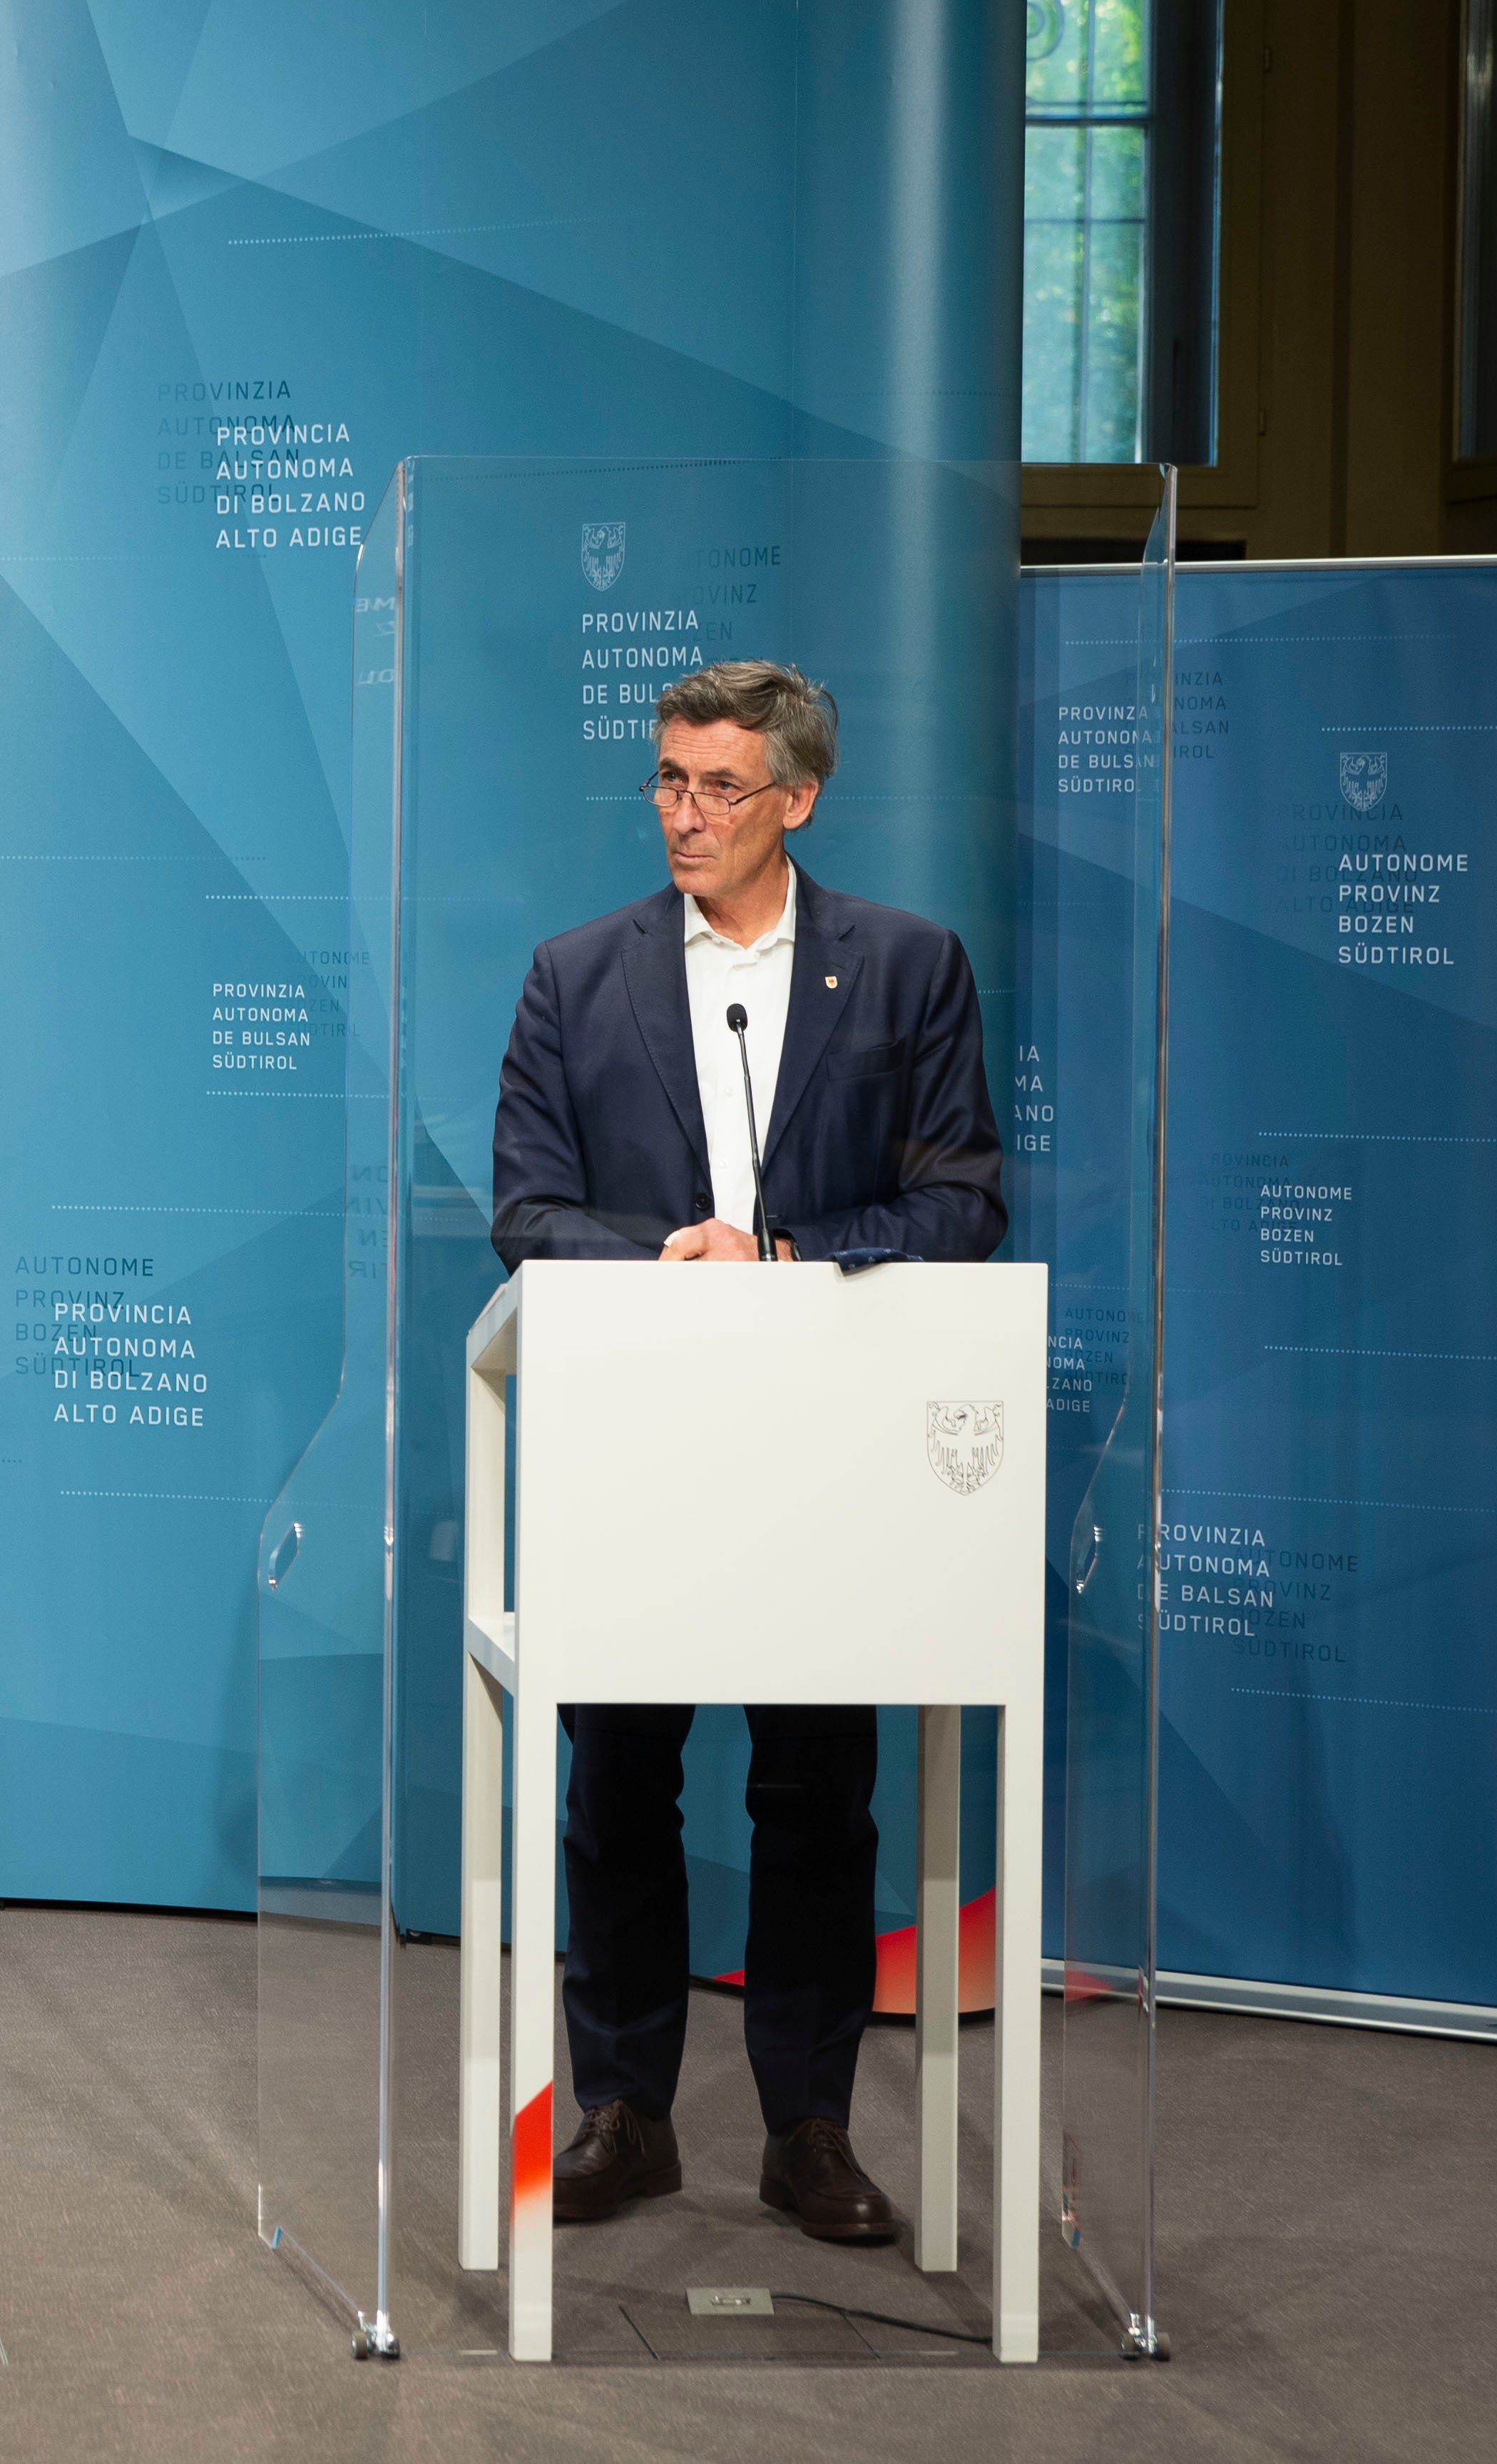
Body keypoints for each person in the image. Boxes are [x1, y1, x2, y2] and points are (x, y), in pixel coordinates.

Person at [487, 658, 1003, 2246]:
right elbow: (524, 1212)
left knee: (816, 1791)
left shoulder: (908, 969)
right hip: (633, 1451)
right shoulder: (576, 976)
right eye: (666, 779)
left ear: (799, 794)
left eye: (720, 786)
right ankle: (625, 2115)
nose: (685, 814)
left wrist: (780, 1258)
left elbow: (963, 1202)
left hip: (823, 1461)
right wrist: (675, 1256)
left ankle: (809, 2127)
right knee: (620, 1785)